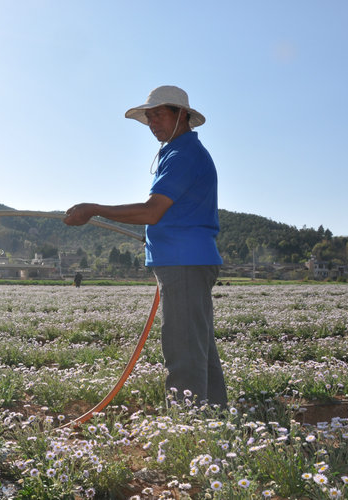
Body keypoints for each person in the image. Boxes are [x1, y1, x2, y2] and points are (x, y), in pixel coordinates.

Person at [64, 85, 227, 407]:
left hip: (183, 261)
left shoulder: (183, 154)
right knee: (199, 346)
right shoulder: (179, 152)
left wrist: (93, 209)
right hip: (187, 259)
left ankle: (188, 427)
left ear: (183, 115)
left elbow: (152, 211)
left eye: (158, 115)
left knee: (184, 348)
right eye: (149, 117)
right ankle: (214, 418)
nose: (152, 123)